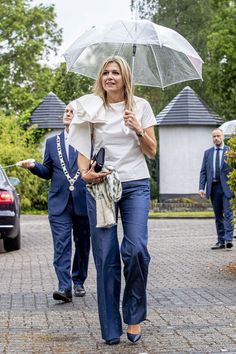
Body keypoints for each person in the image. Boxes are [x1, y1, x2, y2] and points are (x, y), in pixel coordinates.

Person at [68, 56, 157, 345]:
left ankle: (133, 316)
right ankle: (110, 327)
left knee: (136, 250)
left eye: (115, 72)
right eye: (105, 72)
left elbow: (152, 151)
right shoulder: (91, 106)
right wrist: (84, 173)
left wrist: (138, 128)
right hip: (101, 186)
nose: (109, 76)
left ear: (125, 77)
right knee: (106, 257)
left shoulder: (140, 107)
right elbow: (81, 143)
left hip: (135, 185)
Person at [18, 104, 90, 302]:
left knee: (83, 244)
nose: (67, 113)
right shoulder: (52, 143)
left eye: (72, 111)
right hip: (59, 204)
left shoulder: (89, 141)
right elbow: (47, 171)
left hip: (83, 202)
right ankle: (64, 287)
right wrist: (33, 166)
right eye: (66, 111)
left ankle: (79, 280)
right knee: (61, 245)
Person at [199, 128, 234, 250]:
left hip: (227, 188)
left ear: (223, 136)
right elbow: (203, 171)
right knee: (218, 215)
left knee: (228, 213)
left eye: (218, 136)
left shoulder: (231, 152)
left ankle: (229, 239)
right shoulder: (207, 153)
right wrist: (201, 188)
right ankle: (221, 241)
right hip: (213, 188)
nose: (216, 138)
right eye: (214, 136)